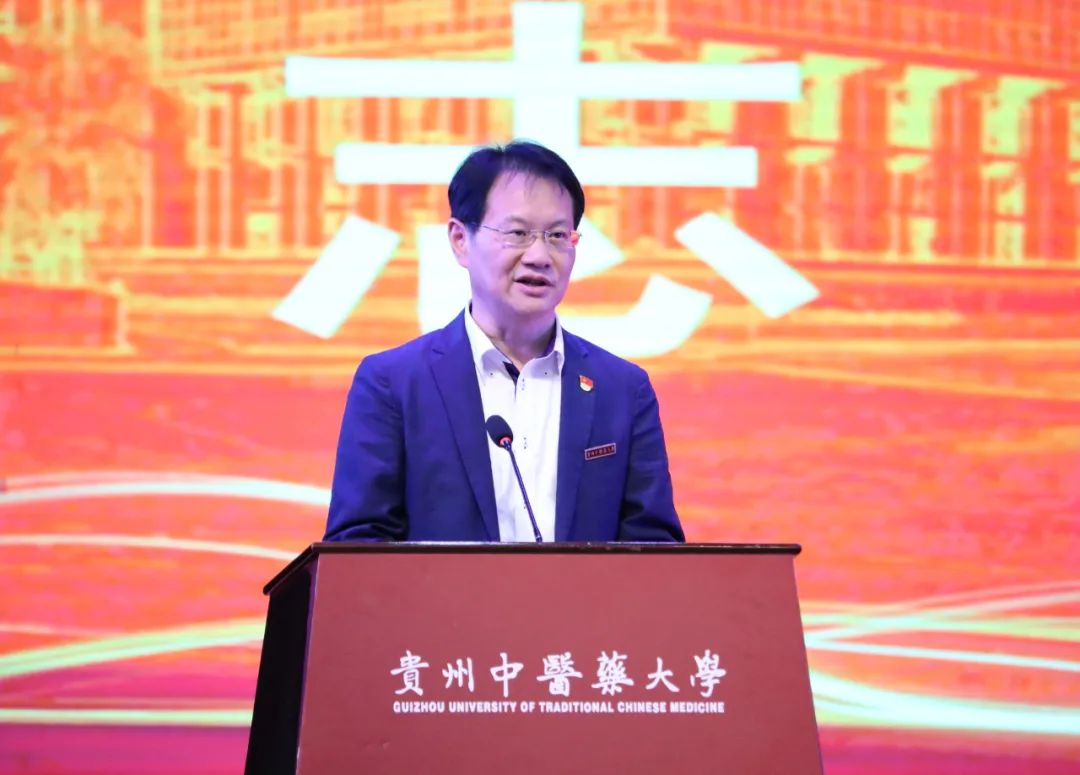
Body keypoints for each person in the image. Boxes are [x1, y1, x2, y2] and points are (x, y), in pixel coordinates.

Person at [324, 140, 683, 543]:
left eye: (557, 235)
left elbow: (655, 551)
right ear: (460, 240)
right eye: (518, 233)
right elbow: (358, 548)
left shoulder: (622, 389)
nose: (540, 256)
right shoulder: (393, 383)